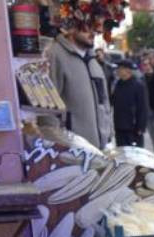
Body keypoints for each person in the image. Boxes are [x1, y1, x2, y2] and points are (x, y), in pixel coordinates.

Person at [46, 19, 113, 149]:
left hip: (99, 147)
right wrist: (54, 143)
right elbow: (47, 105)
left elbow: (104, 102)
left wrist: (109, 134)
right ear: (71, 28)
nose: (93, 33)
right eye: (87, 27)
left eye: (95, 28)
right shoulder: (56, 55)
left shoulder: (93, 61)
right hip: (71, 149)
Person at [110, 60, 148, 147]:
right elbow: (113, 101)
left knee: (134, 154)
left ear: (128, 70)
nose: (117, 71)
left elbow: (142, 107)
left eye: (120, 68)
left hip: (133, 127)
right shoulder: (118, 83)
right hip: (119, 125)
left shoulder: (138, 85)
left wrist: (141, 126)